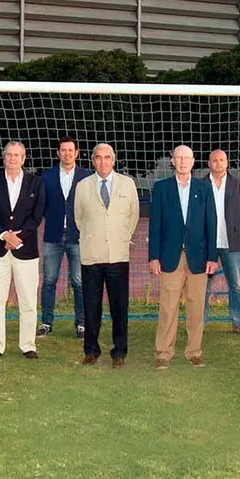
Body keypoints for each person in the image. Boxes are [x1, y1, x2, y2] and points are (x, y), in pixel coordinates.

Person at [149, 145, 218, 370]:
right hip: (170, 257)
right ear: (172, 161)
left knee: (196, 307)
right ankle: (163, 353)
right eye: (178, 158)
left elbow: (211, 223)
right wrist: (153, 256)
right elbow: (155, 225)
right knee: (168, 307)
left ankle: (194, 352)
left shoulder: (204, 188)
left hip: (198, 257)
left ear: (193, 161)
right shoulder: (161, 188)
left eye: (186, 158)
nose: (182, 161)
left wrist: (212, 256)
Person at [75, 143, 139, 368]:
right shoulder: (82, 186)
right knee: (91, 305)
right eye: (98, 158)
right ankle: (91, 350)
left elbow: (133, 215)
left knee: (119, 306)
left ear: (114, 160)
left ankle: (119, 351)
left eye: (107, 157)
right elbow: (79, 219)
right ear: (93, 161)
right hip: (91, 255)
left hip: (118, 255)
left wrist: (119, 237)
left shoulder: (127, 184)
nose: (103, 162)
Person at [0, 141, 45, 359]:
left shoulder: (35, 183)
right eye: (9, 155)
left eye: (17, 155)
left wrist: (17, 237)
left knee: (28, 300)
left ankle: (28, 345)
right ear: (4, 157)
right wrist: (3, 235)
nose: (12, 159)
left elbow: (37, 215)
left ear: (24, 158)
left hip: (25, 250)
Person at [40, 136, 91, 338]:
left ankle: (81, 323)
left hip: (77, 237)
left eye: (71, 150)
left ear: (76, 153)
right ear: (58, 153)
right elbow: (43, 205)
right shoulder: (47, 176)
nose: (67, 153)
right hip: (52, 236)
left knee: (79, 281)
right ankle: (46, 322)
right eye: (63, 150)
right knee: (49, 281)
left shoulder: (86, 176)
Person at [202, 149, 240, 334]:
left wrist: (235, 227)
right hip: (207, 244)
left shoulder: (237, 184)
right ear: (209, 163)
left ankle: (238, 321)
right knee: (203, 286)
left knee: (236, 284)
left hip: (231, 243)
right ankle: (200, 321)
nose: (218, 163)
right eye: (215, 160)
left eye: (222, 160)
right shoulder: (201, 184)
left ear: (227, 162)